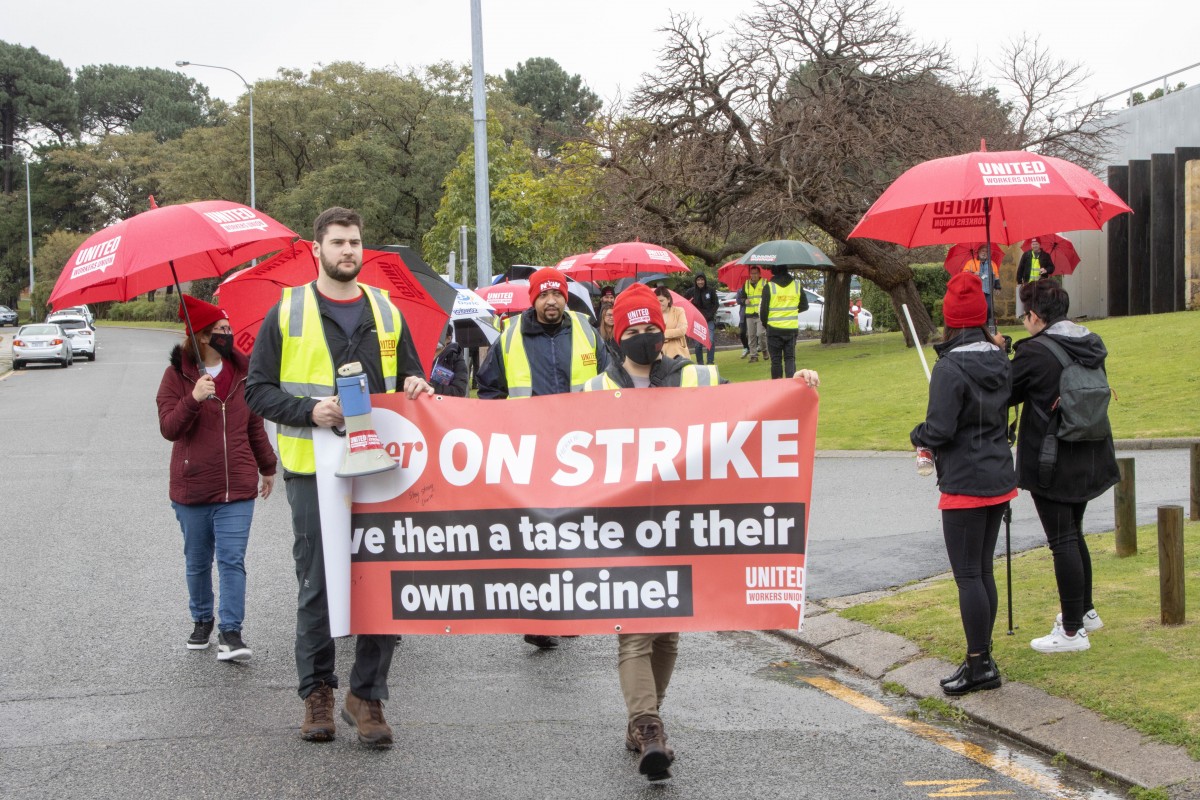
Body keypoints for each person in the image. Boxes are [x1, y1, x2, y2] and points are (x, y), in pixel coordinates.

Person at [579, 283, 819, 782]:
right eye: (634, 328)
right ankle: (649, 728)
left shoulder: (695, 376)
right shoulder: (595, 390)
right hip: (623, 531)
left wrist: (794, 385)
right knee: (634, 630)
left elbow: (752, 409)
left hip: (681, 526)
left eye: (652, 326)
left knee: (667, 631)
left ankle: (644, 721)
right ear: (617, 334)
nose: (645, 335)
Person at [246, 207, 434, 747]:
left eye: (354, 242)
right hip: (313, 469)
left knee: (384, 579)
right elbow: (256, 390)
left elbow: (411, 377)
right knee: (319, 584)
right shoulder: (288, 311)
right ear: (317, 249)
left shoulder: (386, 310)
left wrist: (417, 385)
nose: (348, 250)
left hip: (382, 465)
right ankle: (318, 693)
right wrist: (310, 411)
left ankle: (367, 696)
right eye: (337, 242)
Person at [476, 266, 609, 649]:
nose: (552, 301)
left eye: (557, 294)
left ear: (565, 297)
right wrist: (507, 429)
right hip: (530, 453)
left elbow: (611, 379)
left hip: (579, 452)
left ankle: (566, 609)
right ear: (533, 298)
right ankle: (536, 615)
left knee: (573, 532)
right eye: (544, 295)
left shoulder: (586, 330)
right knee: (536, 536)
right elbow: (489, 390)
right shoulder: (510, 336)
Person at [910, 272, 1016, 697]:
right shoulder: (1000, 358)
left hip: (966, 481)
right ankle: (981, 657)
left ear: (950, 320)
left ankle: (979, 664)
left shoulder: (949, 368)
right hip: (998, 475)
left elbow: (939, 429)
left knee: (969, 575)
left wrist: (918, 435)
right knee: (982, 570)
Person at [157, 295, 277, 663]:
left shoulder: (243, 373)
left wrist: (268, 466)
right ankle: (202, 619)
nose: (229, 334)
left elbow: (254, 426)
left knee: (232, 560)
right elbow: (169, 428)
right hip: (192, 488)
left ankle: (231, 632)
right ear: (203, 336)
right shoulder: (176, 377)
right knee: (197, 562)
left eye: (229, 328)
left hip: (237, 487)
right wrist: (193, 398)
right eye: (222, 329)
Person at [1010, 279, 1118, 653]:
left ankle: (1072, 631)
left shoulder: (1034, 352)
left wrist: (1001, 356)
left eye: (1024, 315)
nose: (1024, 322)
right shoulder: (1089, 342)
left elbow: (1005, 392)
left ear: (1035, 316)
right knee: (1073, 532)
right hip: (1090, 451)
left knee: (1062, 540)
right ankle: (1085, 611)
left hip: (1052, 459)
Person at [758, 265, 809, 379]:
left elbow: (763, 312)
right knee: (790, 358)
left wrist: (766, 324)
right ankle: (792, 385)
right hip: (791, 329)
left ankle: (778, 386)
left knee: (776, 361)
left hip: (774, 329)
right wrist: (791, 311)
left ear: (773, 270)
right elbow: (804, 306)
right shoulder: (796, 285)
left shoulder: (769, 287)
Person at [684, 273, 718, 365]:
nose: (700, 282)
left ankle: (710, 362)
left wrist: (710, 315)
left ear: (705, 280)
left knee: (710, 340)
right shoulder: (691, 292)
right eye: (698, 280)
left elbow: (716, 304)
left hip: (709, 320)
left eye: (702, 280)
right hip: (696, 321)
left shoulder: (710, 291)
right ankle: (700, 363)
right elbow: (685, 303)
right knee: (698, 343)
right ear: (695, 281)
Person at [1016, 238, 1055, 317]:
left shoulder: (1046, 255)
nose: (1034, 246)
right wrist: (1019, 281)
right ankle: (1029, 316)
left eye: (1036, 244)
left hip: (1041, 284)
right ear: (1031, 245)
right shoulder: (1026, 255)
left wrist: (1046, 270)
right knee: (1028, 300)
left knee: (1039, 300)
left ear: (1040, 245)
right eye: (1033, 244)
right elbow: (1020, 268)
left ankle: (1038, 316)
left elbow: (1052, 268)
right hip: (1028, 283)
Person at [738, 266, 768, 362]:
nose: (753, 275)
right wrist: (744, 301)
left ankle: (764, 350)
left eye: (755, 273)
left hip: (760, 313)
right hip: (750, 314)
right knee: (751, 336)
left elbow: (769, 297)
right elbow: (741, 298)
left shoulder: (765, 283)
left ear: (759, 274)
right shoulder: (746, 284)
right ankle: (753, 356)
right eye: (752, 273)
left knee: (761, 334)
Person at [430, 325, 469, 397]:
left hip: (442, 402)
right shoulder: (418, 355)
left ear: (448, 338)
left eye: (440, 335)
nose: (435, 337)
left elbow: (459, 391)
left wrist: (430, 388)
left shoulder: (455, 358)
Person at [654, 286, 690, 360]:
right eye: (656, 301)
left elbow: (682, 331)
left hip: (679, 354)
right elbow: (652, 335)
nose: (659, 303)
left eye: (661, 300)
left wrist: (662, 334)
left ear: (668, 299)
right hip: (660, 356)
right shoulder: (653, 315)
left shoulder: (679, 311)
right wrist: (673, 333)